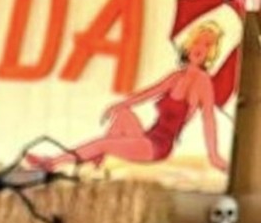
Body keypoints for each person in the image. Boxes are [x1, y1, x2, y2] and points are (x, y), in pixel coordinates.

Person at [31, 22, 230, 173]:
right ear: (188, 45)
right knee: (122, 112)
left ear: (211, 52)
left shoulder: (203, 82)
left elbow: (208, 119)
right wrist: (119, 104)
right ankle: (95, 158)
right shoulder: (176, 76)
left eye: (207, 44)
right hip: (148, 136)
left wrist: (214, 156)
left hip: (158, 147)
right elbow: (147, 93)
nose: (200, 47)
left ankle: (52, 163)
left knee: (102, 143)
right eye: (197, 41)